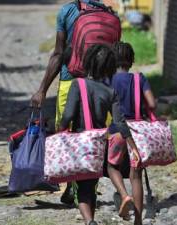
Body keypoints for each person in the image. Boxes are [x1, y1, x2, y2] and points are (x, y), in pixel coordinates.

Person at [30, 0, 110, 204]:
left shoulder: (67, 11)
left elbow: (58, 53)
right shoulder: (105, 11)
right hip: (100, 85)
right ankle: (88, 188)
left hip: (70, 79)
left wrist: (42, 90)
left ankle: (71, 185)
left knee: (67, 134)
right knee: (94, 135)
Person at [59, 44, 141, 225]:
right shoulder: (109, 92)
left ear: (87, 62)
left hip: (80, 143)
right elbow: (120, 123)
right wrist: (133, 146)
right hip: (98, 145)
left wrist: (59, 131)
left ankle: (89, 221)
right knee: (92, 185)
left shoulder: (77, 84)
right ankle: (94, 217)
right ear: (109, 67)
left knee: (82, 188)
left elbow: (69, 115)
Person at [106, 42, 156, 225]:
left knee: (112, 167)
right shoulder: (139, 78)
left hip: (117, 132)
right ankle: (138, 221)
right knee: (136, 176)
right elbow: (151, 103)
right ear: (132, 60)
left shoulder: (108, 79)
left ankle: (124, 195)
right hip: (137, 133)